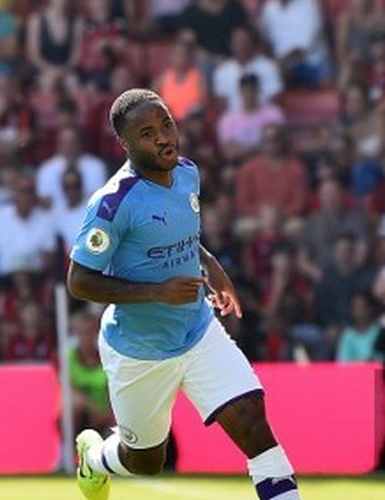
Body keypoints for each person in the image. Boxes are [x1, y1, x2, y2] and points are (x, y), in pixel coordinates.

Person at [67, 89, 299, 500]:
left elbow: (185, 237)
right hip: (139, 350)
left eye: (166, 124)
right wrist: (157, 291)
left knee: (253, 424)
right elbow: (80, 281)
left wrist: (213, 269)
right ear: (125, 144)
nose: (162, 138)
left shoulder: (188, 172)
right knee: (144, 461)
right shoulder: (113, 203)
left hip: (198, 329)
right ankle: (95, 457)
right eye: (146, 133)